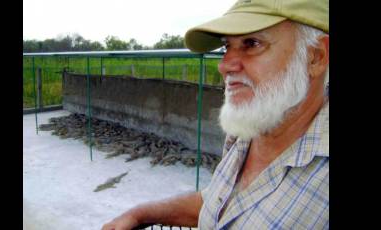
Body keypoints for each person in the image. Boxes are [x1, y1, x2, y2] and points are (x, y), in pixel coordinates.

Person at [102, 0, 329, 229]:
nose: (224, 65)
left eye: (251, 43)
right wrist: (142, 213)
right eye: (226, 47)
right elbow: (221, 205)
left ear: (315, 57)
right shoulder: (246, 131)